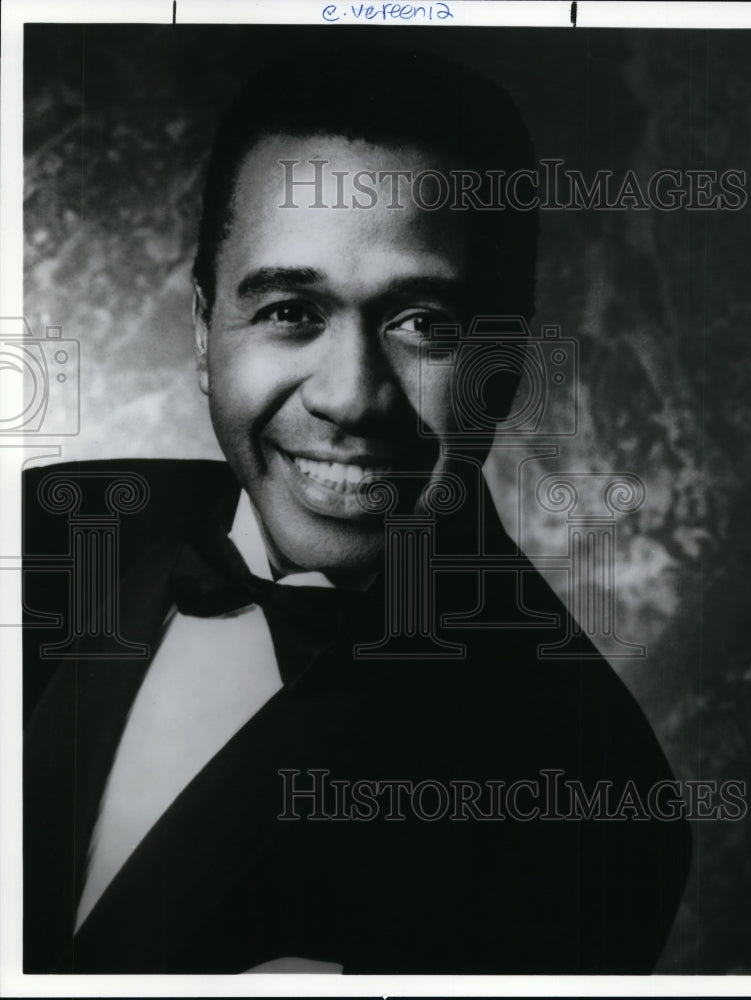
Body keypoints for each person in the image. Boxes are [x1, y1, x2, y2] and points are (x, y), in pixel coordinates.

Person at [23, 41, 690, 974]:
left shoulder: (587, 797)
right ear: (203, 331)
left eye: (424, 322)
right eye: (291, 309)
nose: (350, 397)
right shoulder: (42, 527)